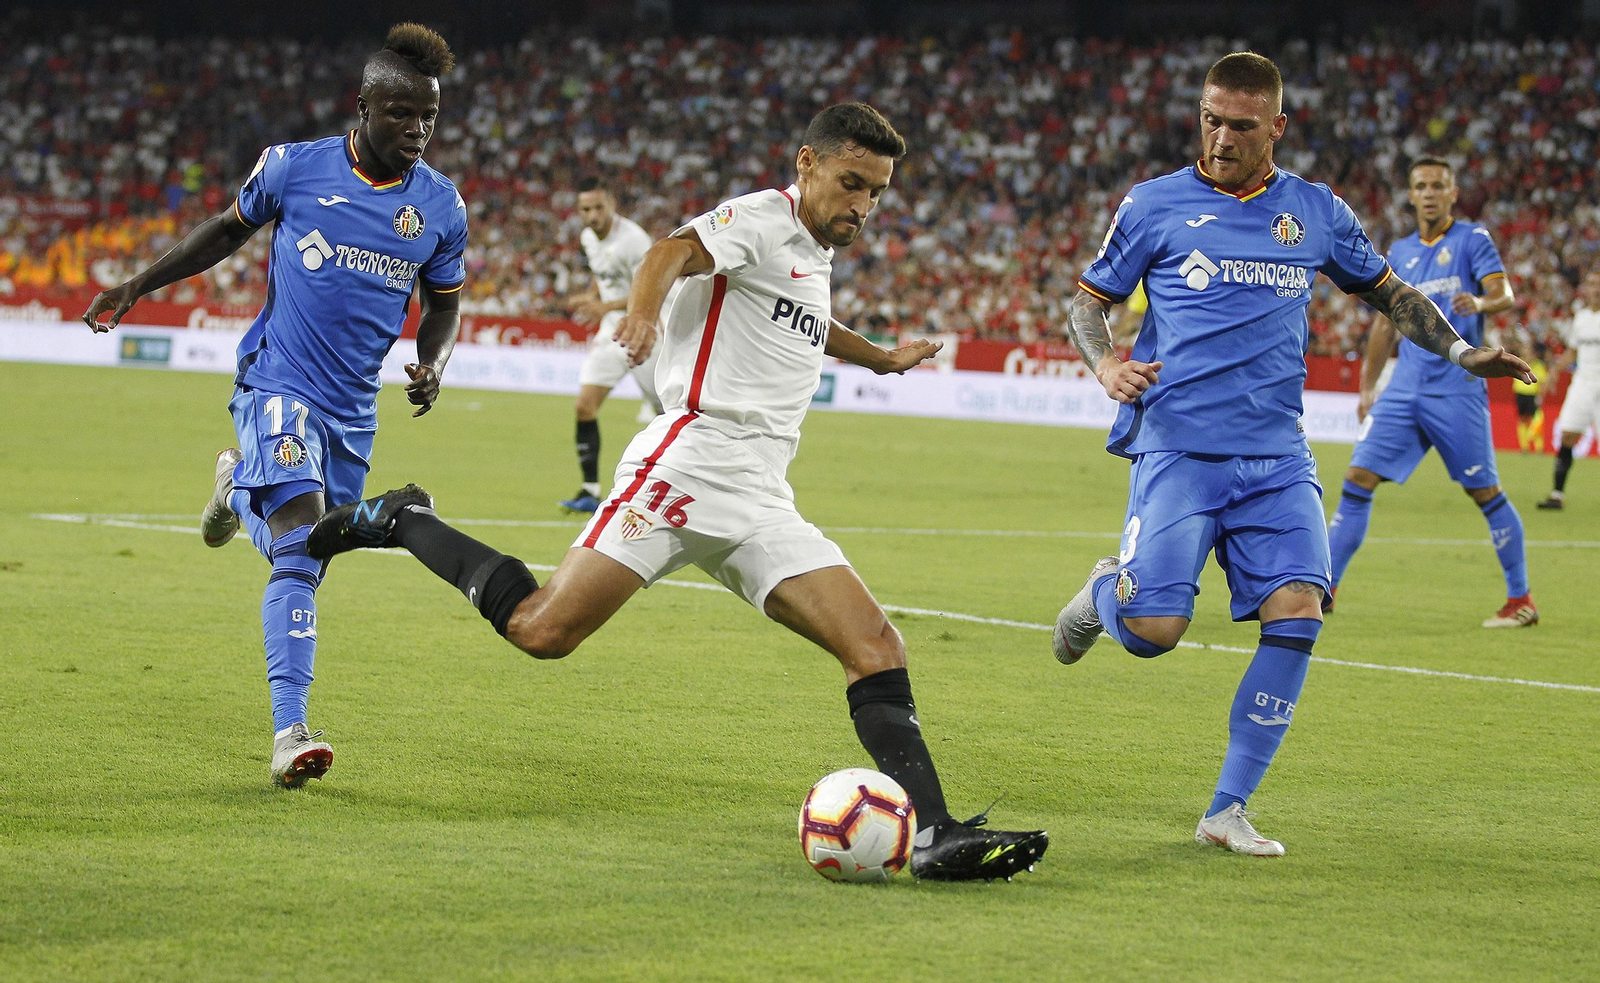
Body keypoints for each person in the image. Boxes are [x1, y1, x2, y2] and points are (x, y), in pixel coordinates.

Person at [307, 103, 1049, 881]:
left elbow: (809, 321)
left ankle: (934, 834)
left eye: (877, 192)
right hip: (686, 467)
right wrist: (641, 315)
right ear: (807, 163)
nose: (863, 204)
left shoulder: (811, 252)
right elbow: (670, 251)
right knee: (542, 628)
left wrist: (882, 359)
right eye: (852, 182)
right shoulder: (762, 218)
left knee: (875, 647)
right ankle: (404, 518)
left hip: (761, 493)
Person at [1055, 54, 1534, 856]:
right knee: (1153, 629)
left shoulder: (1314, 210)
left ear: (1276, 126)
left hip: (1277, 455)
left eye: (1241, 126)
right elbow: (1087, 302)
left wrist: (1462, 351)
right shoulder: (1153, 203)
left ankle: (1226, 809)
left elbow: (1391, 293)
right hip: (1179, 448)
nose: (1220, 138)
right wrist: (1105, 364)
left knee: (1301, 608)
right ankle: (1106, 590)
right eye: (1210, 119)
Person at [81, 24, 468, 788]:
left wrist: (434, 361)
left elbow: (445, 303)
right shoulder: (294, 167)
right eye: (401, 113)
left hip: (352, 412)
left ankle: (234, 489)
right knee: (299, 548)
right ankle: (291, 732)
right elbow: (226, 232)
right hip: (278, 383)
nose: (417, 129)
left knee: (311, 550)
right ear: (364, 106)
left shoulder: (441, 206)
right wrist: (138, 284)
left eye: (428, 115)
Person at [1324, 157, 1535, 628]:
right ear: (1411, 194)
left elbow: (1504, 294)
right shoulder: (1399, 250)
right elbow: (1385, 325)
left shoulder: (1472, 240)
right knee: (1357, 478)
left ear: (1453, 193)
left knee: (1485, 492)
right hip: (1404, 388)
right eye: (1421, 186)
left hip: (1456, 389)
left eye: (1438, 186)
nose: (1429, 194)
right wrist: (1367, 387)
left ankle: (1521, 599)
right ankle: (1326, 590)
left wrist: (1480, 301)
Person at [558, 177, 664, 514]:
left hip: (644, 329)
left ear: (612, 204)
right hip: (612, 331)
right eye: (585, 209)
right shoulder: (588, 237)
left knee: (669, 414)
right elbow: (602, 272)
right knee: (584, 406)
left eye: (598, 208)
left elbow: (650, 289)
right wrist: (591, 295)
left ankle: (683, 487)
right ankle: (590, 491)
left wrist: (603, 306)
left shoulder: (633, 240)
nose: (592, 216)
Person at [1537, 270, 1600, 509]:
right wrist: (1554, 372)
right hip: (1582, 382)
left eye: (1598, 284)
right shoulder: (1581, 317)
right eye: (1591, 284)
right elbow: (1573, 351)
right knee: (1567, 435)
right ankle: (1557, 494)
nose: (1595, 289)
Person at [1513, 342, 1547, 454]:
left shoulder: (1539, 365)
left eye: (1529, 350)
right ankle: (1524, 447)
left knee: (1536, 420)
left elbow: (1543, 383)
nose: (1527, 353)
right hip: (1520, 393)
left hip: (1532, 394)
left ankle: (1538, 448)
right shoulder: (1518, 362)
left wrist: (1540, 396)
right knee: (1522, 419)